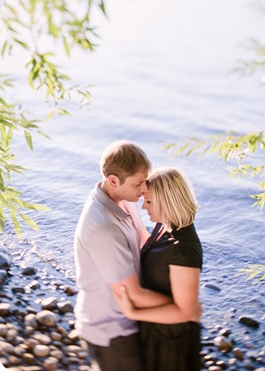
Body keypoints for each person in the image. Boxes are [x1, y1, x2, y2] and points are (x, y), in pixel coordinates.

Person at [74, 141, 174, 371]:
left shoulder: (121, 200)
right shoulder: (104, 228)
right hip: (111, 329)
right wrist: (180, 305)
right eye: (139, 184)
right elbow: (133, 294)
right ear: (113, 180)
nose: (144, 190)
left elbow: (142, 238)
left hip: (127, 317)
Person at [114, 167, 203, 371]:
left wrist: (132, 312)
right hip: (154, 328)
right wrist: (129, 206)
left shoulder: (184, 251)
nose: (144, 206)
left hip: (171, 343)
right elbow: (148, 245)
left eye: (149, 201)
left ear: (168, 202)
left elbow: (185, 311)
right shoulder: (166, 225)